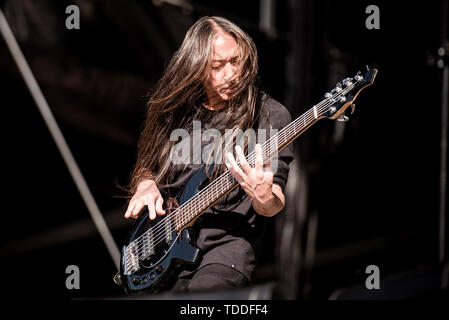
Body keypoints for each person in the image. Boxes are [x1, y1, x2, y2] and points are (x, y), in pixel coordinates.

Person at [123, 16, 294, 293]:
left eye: (236, 61)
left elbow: (273, 202)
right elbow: (148, 162)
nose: (232, 74)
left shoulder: (269, 116)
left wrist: (264, 197)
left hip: (225, 252)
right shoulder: (175, 111)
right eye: (217, 66)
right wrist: (145, 182)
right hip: (166, 251)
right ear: (196, 67)